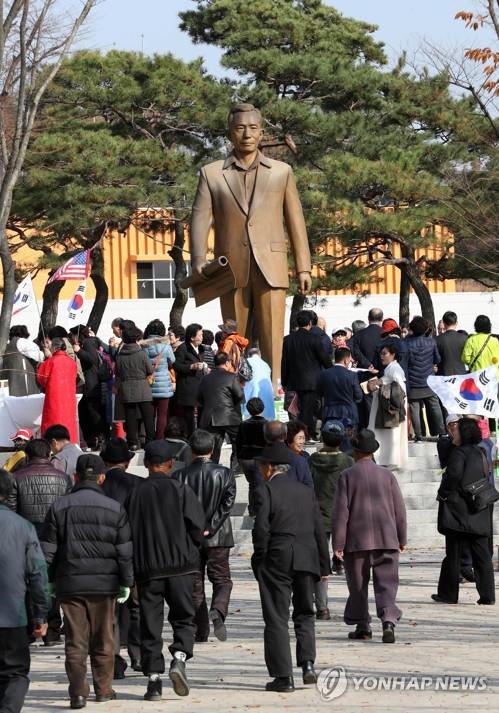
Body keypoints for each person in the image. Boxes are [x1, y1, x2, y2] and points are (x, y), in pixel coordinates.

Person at [190, 102, 312, 390]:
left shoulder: (281, 171)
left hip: (272, 264)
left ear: (262, 133)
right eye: (240, 128)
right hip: (230, 267)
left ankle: (275, 387)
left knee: (272, 337)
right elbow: (199, 217)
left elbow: (296, 221)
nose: (247, 134)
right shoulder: (212, 173)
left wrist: (303, 266)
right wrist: (198, 258)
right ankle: (236, 390)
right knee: (234, 338)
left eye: (253, 128)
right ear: (229, 133)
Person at [41, 454, 134, 709]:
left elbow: (48, 551)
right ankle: (104, 690)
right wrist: (127, 582)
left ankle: (78, 693)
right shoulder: (115, 508)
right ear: (102, 478)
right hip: (105, 585)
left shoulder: (59, 507)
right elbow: (124, 551)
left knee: (75, 640)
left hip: (69, 584)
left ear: (75, 477)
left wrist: (49, 582)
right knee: (104, 638)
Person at [126, 440, 205, 701]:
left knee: (150, 623)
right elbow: (196, 526)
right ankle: (180, 657)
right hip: (181, 566)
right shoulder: (180, 489)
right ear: (170, 464)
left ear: (146, 465)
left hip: (148, 569)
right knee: (184, 617)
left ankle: (153, 680)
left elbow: (126, 531)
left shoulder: (135, 493)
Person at [252, 442, 330, 692]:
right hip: (307, 555)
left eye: (263, 465)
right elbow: (319, 528)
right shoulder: (306, 491)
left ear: (270, 467)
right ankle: (307, 664)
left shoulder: (266, 490)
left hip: (278, 556)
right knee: (305, 612)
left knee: (277, 615)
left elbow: (261, 528)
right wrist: (324, 564)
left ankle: (283, 676)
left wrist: (259, 557)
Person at [332, 430, 407, 643]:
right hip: (386, 537)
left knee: (357, 584)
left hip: (357, 540)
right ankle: (388, 622)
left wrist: (338, 542)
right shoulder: (387, 475)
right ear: (373, 451)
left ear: (355, 451)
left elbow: (340, 512)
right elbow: (399, 509)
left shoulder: (346, 476)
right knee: (387, 582)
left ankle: (363, 625)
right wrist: (402, 537)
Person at [174, 430, 236, 642]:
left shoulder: (179, 475)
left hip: (190, 537)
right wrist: (212, 526)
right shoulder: (225, 473)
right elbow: (227, 504)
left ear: (191, 450)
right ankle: (218, 610)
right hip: (218, 536)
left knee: (195, 584)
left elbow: (179, 509)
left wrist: (196, 528)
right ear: (212, 449)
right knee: (222, 580)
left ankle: (200, 630)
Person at [0, 468, 49, 713]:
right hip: (13, 616)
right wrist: (41, 615)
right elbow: (38, 573)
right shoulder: (24, 527)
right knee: (15, 673)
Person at [432, 418, 495, 605]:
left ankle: (449, 594)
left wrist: (442, 494)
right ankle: (488, 595)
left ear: (464, 433)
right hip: (479, 508)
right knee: (482, 556)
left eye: (457, 430)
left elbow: (453, 476)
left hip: (458, 511)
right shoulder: (481, 451)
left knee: (453, 555)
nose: (453, 433)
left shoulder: (459, 453)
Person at [100, 437, 142, 679]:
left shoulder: (98, 486)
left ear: (104, 462)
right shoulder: (138, 485)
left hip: (103, 555)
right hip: (133, 552)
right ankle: (137, 654)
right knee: (136, 606)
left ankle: (114, 658)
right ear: (127, 462)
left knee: (110, 610)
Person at [309, 420, 354, 618]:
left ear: (322, 438)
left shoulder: (312, 460)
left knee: (319, 561)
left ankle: (322, 607)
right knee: (353, 561)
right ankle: (357, 606)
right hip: (343, 515)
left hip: (317, 515)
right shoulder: (347, 462)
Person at [281, 310, 331, 440]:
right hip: (311, 381)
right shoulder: (314, 339)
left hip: (293, 380)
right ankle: (306, 435)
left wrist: (284, 381)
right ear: (310, 323)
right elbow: (324, 359)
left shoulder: (288, 339)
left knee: (295, 410)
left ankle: (298, 435)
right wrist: (331, 370)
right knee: (307, 410)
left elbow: (284, 362)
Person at [197, 352, 244, 464]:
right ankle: (236, 463)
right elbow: (239, 395)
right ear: (227, 362)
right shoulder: (232, 376)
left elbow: (199, 399)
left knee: (213, 446)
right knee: (240, 440)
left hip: (209, 417)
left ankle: (212, 466)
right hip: (228, 415)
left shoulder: (205, 378)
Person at [368, 344, 409, 469]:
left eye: (385, 353)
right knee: (387, 433)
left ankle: (391, 459)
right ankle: (385, 458)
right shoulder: (390, 368)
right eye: (381, 353)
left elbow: (399, 389)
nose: (382, 356)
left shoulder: (394, 369)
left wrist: (379, 385)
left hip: (391, 408)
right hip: (385, 407)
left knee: (392, 434)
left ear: (393, 355)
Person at [115, 324, 155, 450]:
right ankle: (150, 441)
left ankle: (132, 442)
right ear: (137, 338)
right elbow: (149, 370)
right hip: (143, 387)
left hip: (127, 388)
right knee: (148, 416)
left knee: (130, 417)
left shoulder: (120, 356)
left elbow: (118, 373)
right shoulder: (141, 354)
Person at [405, 316, 445, 441]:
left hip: (413, 381)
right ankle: (442, 432)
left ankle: (419, 435)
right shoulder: (431, 341)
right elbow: (437, 359)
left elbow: (405, 361)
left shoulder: (406, 342)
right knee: (435, 406)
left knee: (415, 408)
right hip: (429, 380)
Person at [37, 337, 78, 443]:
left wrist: (46, 360)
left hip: (54, 398)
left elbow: (42, 379)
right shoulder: (72, 362)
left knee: (52, 422)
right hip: (69, 399)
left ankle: (52, 444)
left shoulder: (50, 362)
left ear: (54, 348)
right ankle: (70, 443)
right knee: (68, 422)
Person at [141, 319, 176, 439]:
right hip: (164, 385)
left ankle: (149, 438)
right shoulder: (166, 346)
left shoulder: (144, 346)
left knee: (149, 415)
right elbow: (172, 361)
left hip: (148, 384)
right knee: (162, 415)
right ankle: (160, 438)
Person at [317, 347, 364, 430]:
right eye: (349, 359)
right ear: (346, 360)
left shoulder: (323, 374)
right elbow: (358, 396)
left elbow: (319, 393)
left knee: (331, 439)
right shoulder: (352, 375)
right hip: (348, 413)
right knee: (347, 440)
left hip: (329, 413)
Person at [235, 397, 267, 515]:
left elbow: (238, 443)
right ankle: (261, 509)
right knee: (261, 484)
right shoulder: (267, 424)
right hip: (261, 457)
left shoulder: (243, 424)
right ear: (262, 408)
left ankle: (252, 508)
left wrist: (238, 458)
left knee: (252, 484)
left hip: (245, 457)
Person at [173, 323, 206, 436]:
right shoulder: (183, 348)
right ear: (192, 337)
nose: (202, 337)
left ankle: (201, 435)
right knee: (189, 415)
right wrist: (191, 367)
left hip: (200, 385)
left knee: (202, 412)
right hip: (187, 386)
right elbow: (176, 366)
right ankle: (189, 436)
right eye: (200, 335)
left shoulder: (201, 348)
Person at [264, 420, 313, 488]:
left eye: (303, 438)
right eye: (299, 438)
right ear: (289, 438)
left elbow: (309, 483)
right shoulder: (281, 457)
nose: (302, 442)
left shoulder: (306, 456)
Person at [0, 324, 45, 395]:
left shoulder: (6, 346)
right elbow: (39, 356)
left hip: (8, 385)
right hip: (24, 384)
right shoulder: (23, 342)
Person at [243, 347, 275, 420]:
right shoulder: (266, 365)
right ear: (260, 355)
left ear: (248, 355)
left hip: (252, 403)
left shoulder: (246, 362)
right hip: (267, 406)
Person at [436, 311, 468, 376]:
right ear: (456, 323)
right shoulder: (465, 338)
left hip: (443, 375)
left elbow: (436, 359)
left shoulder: (437, 339)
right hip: (460, 374)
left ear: (444, 323)